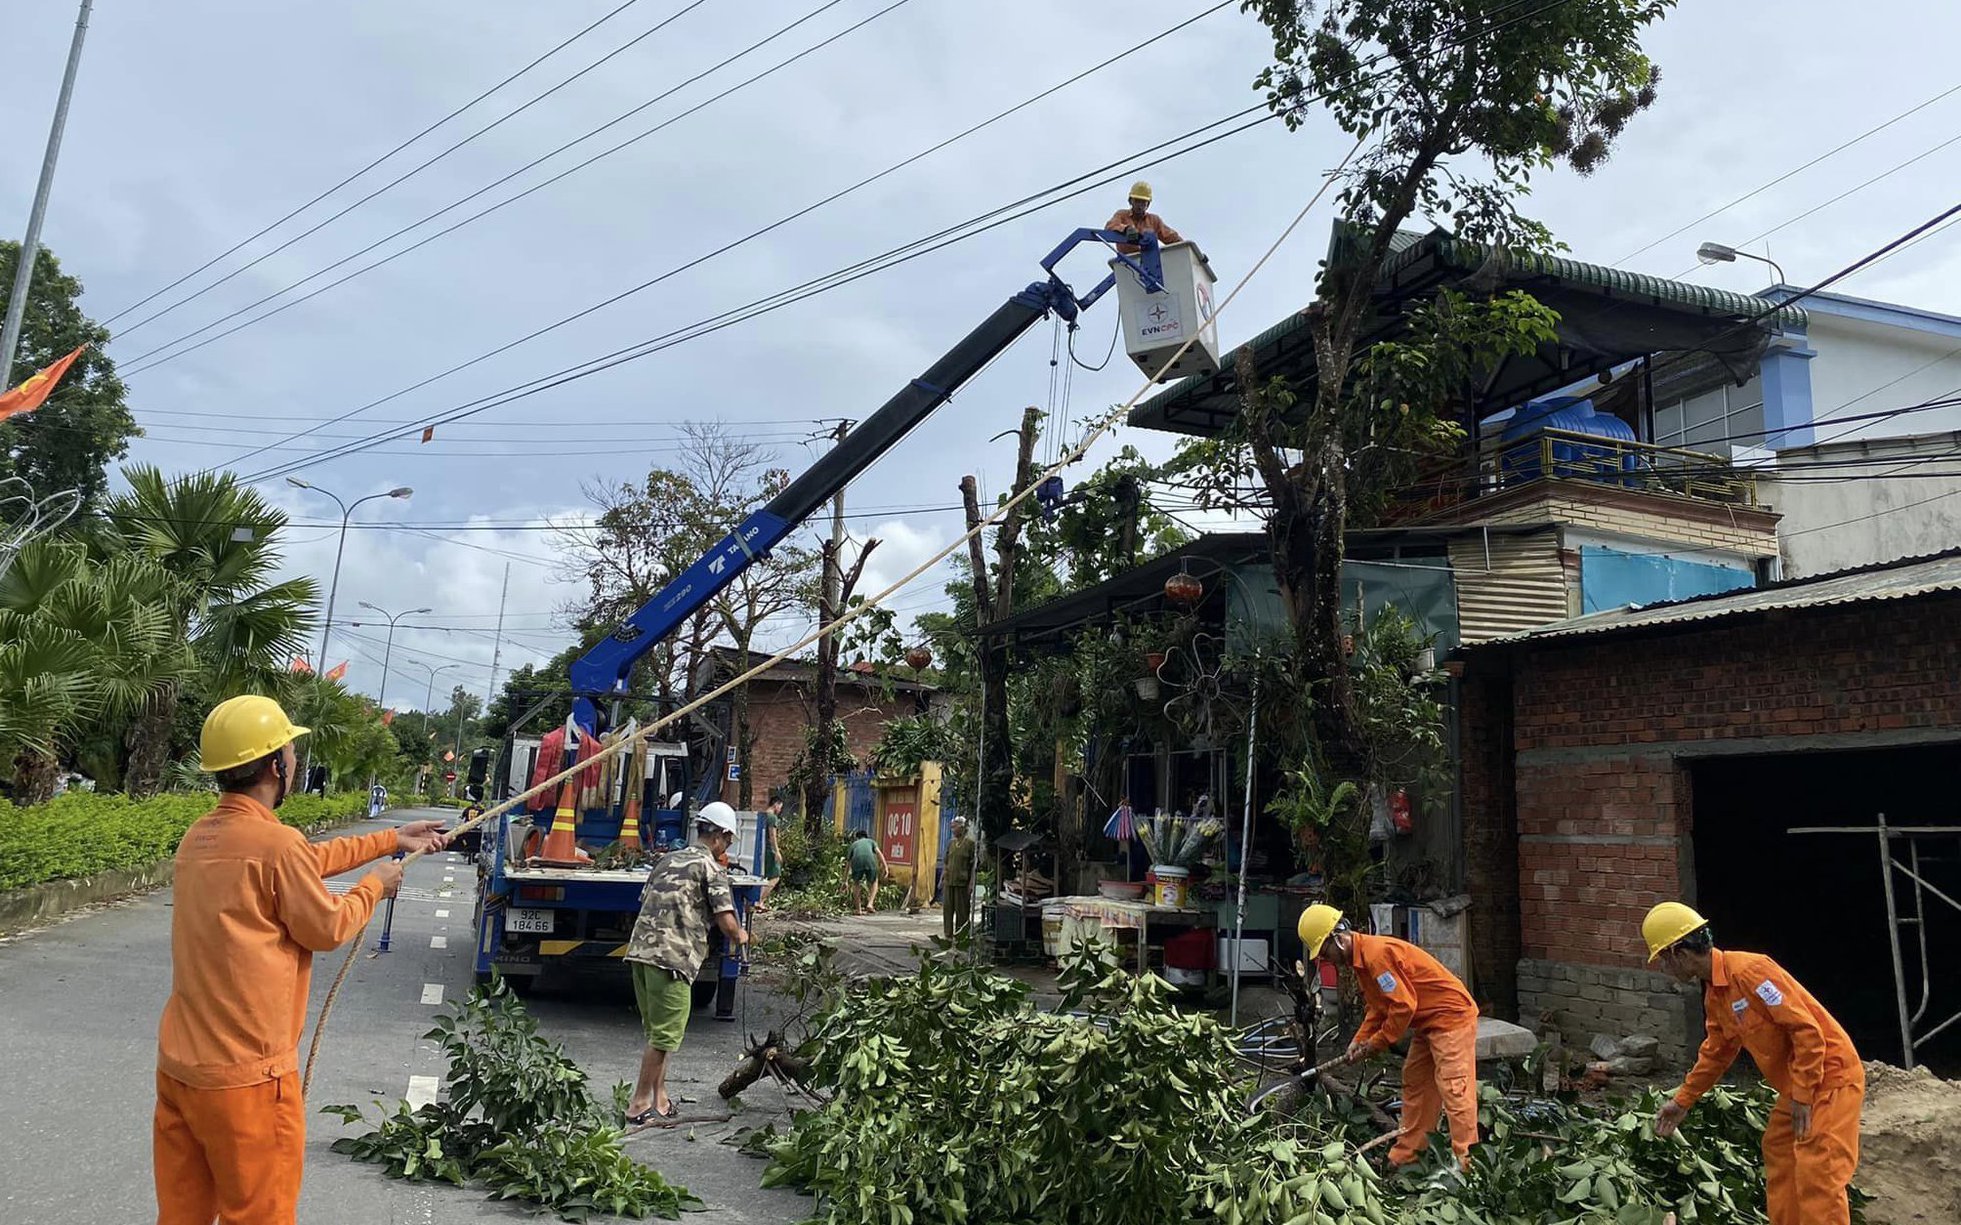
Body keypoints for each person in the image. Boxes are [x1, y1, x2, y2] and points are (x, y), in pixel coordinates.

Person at [155, 695, 448, 1225]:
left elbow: (300, 861)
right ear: (276, 766)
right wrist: (373, 887)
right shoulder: (274, 844)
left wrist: (390, 839)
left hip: (181, 1069)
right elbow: (328, 927)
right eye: (290, 751)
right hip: (248, 1078)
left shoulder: (200, 837)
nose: (294, 761)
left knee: (183, 1216)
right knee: (260, 1216)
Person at [1642, 902, 1864, 1225]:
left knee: (1820, 1174)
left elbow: (1807, 1031)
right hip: (1800, 1085)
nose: (1665, 968)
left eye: (1663, 959)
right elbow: (1716, 1053)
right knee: (1780, 1150)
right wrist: (1682, 1101)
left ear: (1679, 953)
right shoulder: (1716, 995)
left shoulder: (1750, 972)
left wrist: (1802, 1095)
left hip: (1829, 1079)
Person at [1298, 904, 1481, 1170]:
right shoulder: (1361, 963)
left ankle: (1467, 1167)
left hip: (1450, 1018)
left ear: (1338, 937)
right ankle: (1405, 1157)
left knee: (1454, 1089)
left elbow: (1404, 1006)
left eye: (1325, 952)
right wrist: (1358, 1041)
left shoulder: (1376, 956)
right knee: (1416, 1083)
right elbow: (1378, 1008)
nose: (1326, 959)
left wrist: (1376, 1043)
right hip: (1428, 1023)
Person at [621, 801, 751, 1123]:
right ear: (719, 836)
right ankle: (638, 1105)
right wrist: (744, 937)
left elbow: (648, 901)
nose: (727, 847)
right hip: (672, 959)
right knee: (665, 1037)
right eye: (729, 840)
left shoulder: (666, 860)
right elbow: (727, 923)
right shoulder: (711, 868)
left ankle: (660, 1100)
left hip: (641, 953)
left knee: (659, 1036)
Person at [1103, 180, 1183, 255]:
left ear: (1148, 204)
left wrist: (1186, 247)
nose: (1140, 205)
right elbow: (1110, 226)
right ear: (1130, 201)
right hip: (1127, 260)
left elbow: (1171, 237)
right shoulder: (1122, 215)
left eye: (1143, 202)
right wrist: (1125, 229)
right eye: (1137, 201)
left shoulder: (1154, 220)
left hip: (1149, 261)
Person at [941, 815, 976, 940]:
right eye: (951, 827)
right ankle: (948, 934)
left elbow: (974, 866)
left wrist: (971, 883)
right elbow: (946, 861)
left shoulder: (970, 844)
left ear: (962, 828)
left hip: (962, 882)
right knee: (947, 909)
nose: (952, 829)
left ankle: (961, 936)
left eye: (955, 827)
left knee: (962, 911)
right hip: (949, 881)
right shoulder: (951, 843)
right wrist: (943, 878)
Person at [756, 797, 786, 910]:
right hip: (770, 850)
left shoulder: (763, 815)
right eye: (780, 807)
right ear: (776, 804)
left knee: (765, 876)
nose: (780, 810)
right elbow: (772, 835)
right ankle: (760, 901)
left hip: (762, 849)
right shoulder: (772, 817)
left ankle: (759, 901)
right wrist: (777, 851)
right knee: (775, 876)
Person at [847, 829, 887, 914]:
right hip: (870, 861)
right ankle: (870, 904)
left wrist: (845, 880)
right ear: (866, 836)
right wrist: (885, 867)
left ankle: (859, 909)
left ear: (857, 838)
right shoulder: (871, 842)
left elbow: (848, 864)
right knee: (874, 881)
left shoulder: (854, 845)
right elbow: (879, 853)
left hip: (857, 861)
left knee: (856, 883)